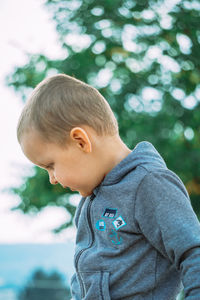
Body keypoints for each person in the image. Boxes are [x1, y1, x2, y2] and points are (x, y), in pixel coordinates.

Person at [17, 73, 200, 300]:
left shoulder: (150, 184)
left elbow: (194, 253)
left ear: (81, 141)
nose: (52, 179)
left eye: (51, 165)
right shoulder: (89, 201)